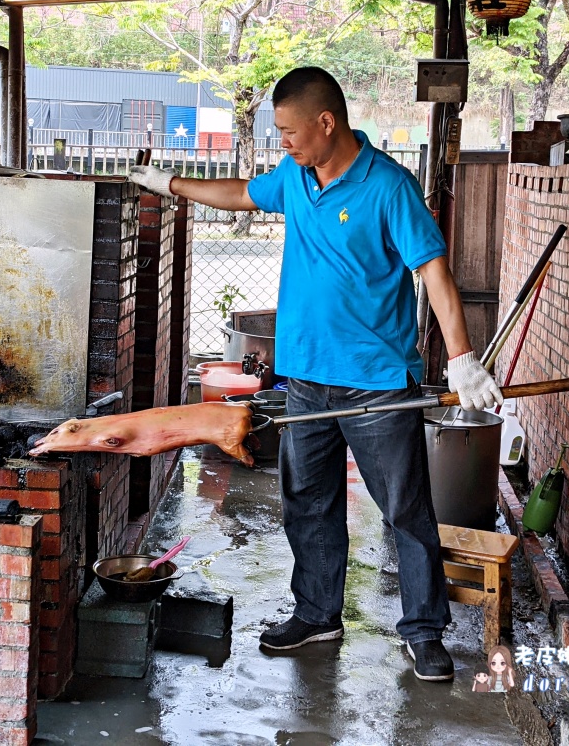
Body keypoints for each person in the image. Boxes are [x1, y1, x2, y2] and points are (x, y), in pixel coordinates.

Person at [129, 67, 501, 682]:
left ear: (326, 123)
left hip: (377, 382)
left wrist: (461, 357)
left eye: (289, 131)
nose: (284, 143)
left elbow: (434, 272)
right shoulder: (295, 180)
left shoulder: (389, 188)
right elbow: (242, 193)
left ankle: (425, 631)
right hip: (305, 378)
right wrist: (166, 183)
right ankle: (318, 612)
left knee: (404, 509)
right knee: (307, 501)